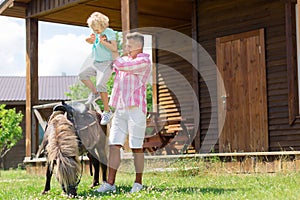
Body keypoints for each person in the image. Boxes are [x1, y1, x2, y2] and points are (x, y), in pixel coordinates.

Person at [95, 32, 151, 193]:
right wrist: (101, 44)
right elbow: (110, 66)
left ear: (138, 46)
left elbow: (121, 65)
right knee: (114, 145)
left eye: (129, 45)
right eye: (126, 45)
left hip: (136, 109)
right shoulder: (123, 60)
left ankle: (138, 183)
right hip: (120, 108)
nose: (126, 48)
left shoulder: (144, 61)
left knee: (136, 146)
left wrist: (113, 51)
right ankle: (110, 183)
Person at [78, 12, 118, 125]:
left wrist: (103, 42)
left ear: (103, 25)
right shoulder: (95, 32)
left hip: (107, 62)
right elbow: (88, 39)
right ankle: (95, 93)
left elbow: (114, 48)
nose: (95, 32)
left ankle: (107, 111)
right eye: (93, 30)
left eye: (97, 30)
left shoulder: (109, 32)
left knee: (101, 84)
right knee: (82, 75)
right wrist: (89, 40)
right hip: (96, 62)